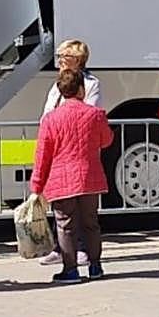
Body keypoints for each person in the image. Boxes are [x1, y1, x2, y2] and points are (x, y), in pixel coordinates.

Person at [30, 68, 114, 284]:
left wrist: (36, 186)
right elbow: (107, 140)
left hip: (60, 178)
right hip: (90, 176)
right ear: (81, 89)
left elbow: (43, 154)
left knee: (65, 225)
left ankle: (71, 270)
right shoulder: (95, 114)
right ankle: (95, 266)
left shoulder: (50, 119)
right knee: (91, 223)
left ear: (60, 91)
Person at [38, 39, 101, 267]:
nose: (59, 60)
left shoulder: (91, 83)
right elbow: (47, 111)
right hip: (58, 147)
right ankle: (60, 248)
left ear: (76, 60)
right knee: (61, 205)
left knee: (83, 209)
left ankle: (82, 250)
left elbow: (91, 113)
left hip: (78, 149)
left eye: (63, 56)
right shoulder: (57, 84)